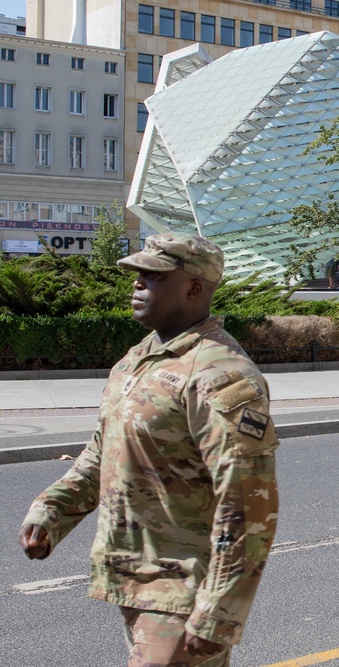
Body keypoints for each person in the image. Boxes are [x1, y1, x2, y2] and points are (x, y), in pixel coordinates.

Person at [19, 233, 280, 667]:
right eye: (138, 275)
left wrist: (219, 611)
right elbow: (106, 450)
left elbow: (249, 504)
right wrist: (52, 510)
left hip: (183, 587)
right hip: (135, 576)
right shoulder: (139, 358)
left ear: (194, 288)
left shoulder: (219, 373)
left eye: (153, 276)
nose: (137, 285)